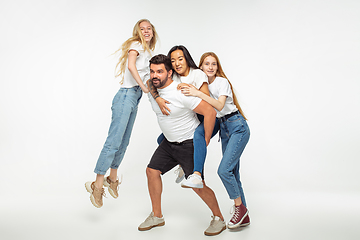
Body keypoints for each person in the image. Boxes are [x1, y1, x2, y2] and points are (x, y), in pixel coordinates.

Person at [139, 54, 226, 236]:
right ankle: (157, 216)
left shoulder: (181, 92)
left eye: (160, 72)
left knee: (197, 185)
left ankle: (218, 218)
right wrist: (158, 98)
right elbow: (148, 83)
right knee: (151, 171)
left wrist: (205, 139)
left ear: (170, 73)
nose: (155, 75)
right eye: (153, 71)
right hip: (168, 143)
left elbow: (209, 111)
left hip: (188, 143)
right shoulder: (153, 88)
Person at [85, 19, 158, 208]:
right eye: (142, 29)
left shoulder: (149, 51)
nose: (146, 31)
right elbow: (131, 66)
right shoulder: (135, 45)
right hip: (126, 96)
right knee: (114, 142)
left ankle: (113, 178)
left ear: (153, 31)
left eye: (148, 28)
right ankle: (97, 185)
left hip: (134, 98)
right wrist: (143, 86)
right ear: (138, 32)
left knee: (124, 141)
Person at [180, 52, 250, 229]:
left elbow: (219, 106)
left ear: (217, 67)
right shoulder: (204, 84)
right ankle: (244, 214)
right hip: (224, 129)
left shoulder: (221, 82)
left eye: (214, 64)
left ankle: (239, 209)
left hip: (237, 126)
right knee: (233, 173)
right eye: (206, 64)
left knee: (224, 171)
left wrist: (197, 93)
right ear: (201, 67)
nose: (210, 67)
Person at [148, 45, 219, 188]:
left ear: (186, 59)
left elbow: (207, 104)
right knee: (162, 139)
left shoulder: (197, 74)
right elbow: (151, 82)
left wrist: (192, 91)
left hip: (208, 117)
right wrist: (158, 99)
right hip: (194, 116)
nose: (177, 63)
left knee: (199, 139)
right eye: (173, 60)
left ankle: (196, 175)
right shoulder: (172, 74)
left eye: (180, 59)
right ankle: (182, 164)